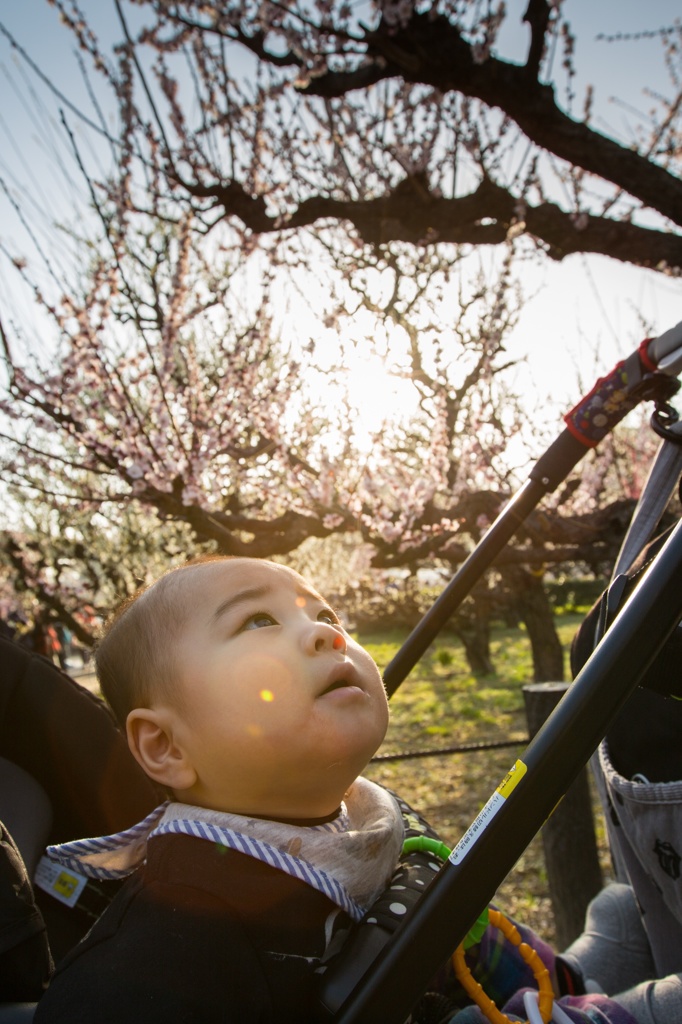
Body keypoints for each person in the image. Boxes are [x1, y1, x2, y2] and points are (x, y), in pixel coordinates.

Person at [33, 557, 641, 1023]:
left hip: (518, 976)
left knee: (621, 910)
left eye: (326, 616)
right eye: (258, 621)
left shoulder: (366, 817)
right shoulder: (150, 971)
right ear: (167, 746)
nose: (326, 635)